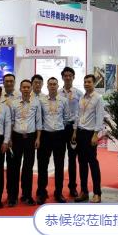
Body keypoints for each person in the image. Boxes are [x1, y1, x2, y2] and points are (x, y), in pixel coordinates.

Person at [7, 79, 42, 207]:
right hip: (16, 138)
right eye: (24, 87)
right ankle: (12, 196)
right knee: (14, 168)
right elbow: (10, 122)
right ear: (20, 89)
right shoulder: (14, 103)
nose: (26, 89)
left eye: (28, 87)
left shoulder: (36, 103)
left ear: (31, 89)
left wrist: (38, 139)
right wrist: (9, 138)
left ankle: (27, 195)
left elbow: (39, 122)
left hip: (30, 138)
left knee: (28, 168)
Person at [72, 74, 105, 203]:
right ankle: (84, 191)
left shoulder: (98, 98)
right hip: (80, 133)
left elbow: (100, 117)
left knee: (93, 163)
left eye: (89, 82)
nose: (86, 84)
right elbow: (78, 115)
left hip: (90, 134)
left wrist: (96, 134)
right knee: (82, 164)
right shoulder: (81, 98)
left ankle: (97, 193)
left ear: (94, 83)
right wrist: (75, 131)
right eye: (85, 82)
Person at [38, 76, 71, 204]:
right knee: (42, 165)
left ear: (58, 86)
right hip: (45, 135)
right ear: (47, 86)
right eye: (50, 84)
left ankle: (58, 193)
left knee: (59, 165)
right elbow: (39, 118)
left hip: (59, 136)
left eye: (54, 84)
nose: (52, 86)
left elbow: (66, 117)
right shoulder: (41, 100)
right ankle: (42, 192)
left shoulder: (64, 100)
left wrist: (59, 128)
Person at [59, 66, 83, 198]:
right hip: (61, 129)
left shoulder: (79, 93)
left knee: (72, 159)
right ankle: (58, 189)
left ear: (73, 77)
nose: (68, 77)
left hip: (73, 129)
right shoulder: (58, 93)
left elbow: (80, 112)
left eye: (70, 75)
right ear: (62, 77)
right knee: (59, 158)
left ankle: (72, 187)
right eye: (65, 75)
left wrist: (75, 129)